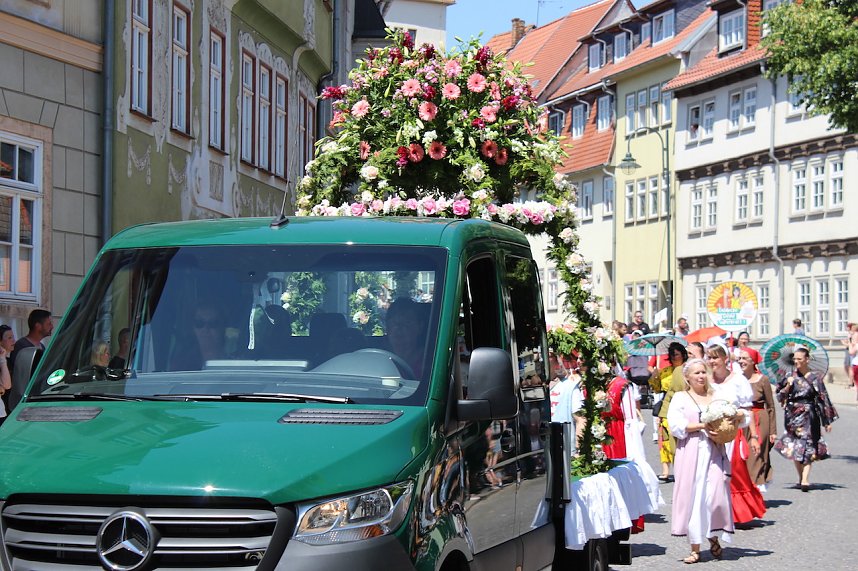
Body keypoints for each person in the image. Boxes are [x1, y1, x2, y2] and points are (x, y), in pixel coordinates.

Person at [667, 358, 735, 564]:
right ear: (687, 377)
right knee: (694, 497)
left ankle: (713, 534)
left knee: (715, 492)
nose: (701, 376)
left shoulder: (717, 395)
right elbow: (676, 426)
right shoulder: (681, 398)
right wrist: (701, 426)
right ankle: (695, 547)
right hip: (691, 451)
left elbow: (735, 412)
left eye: (703, 372)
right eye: (696, 373)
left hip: (714, 450)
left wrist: (734, 417)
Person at [707, 344, 766, 525]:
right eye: (709, 357)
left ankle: (737, 512)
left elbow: (748, 409)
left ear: (725, 359)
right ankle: (716, 511)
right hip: (711, 433)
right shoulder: (707, 380)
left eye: (715, 357)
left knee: (735, 473)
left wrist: (754, 437)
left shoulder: (738, 380)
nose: (712, 361)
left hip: (733, 433)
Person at [774, 347, 838, 492]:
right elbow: (779, 396)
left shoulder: (815, 378)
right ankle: (800, 476)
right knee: (795, 446)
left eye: (799, 359)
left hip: (810, 415)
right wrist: (788, 385)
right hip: (792, 416)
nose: (796, 362)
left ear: (807, 359)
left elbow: (823, 398)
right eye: (794, 359)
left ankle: (805, 479)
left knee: (808, 444)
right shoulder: (789, 375)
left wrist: (826, 421)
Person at [736, 349, 776, 493]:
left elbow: (770, 406)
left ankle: (754, 487)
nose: (741, 361)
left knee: (756, 453)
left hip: (760, 419)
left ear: (753, 361)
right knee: (742, 454)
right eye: (739, 358)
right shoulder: (736, 379)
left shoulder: (762, 379)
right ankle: (745, 486)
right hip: (742, 420)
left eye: (745, 358)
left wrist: (773, 431)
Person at [650, 343, 687, 482]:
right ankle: (665, 470)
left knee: (677, 439)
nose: (674, 357)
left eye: (676, 354)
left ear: (683, 355)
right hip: (667, 404)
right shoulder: (665, 371)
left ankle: (680, 467)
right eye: (671, 354)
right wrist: (654, 376)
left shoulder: (687, 369)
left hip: (682, 404)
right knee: (664, 439)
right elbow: (656, 389)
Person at [385, 297, 428, 378]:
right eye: (394, 323)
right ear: (387, 328)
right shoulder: (379, 359)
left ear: (420, 327)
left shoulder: (429, 363)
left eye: (406, 323)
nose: (399, 329)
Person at [10, 309, 53, 373]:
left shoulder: (42, 347)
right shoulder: (22, 346)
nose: (52, 327)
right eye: (49, 324)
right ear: (38, 326)